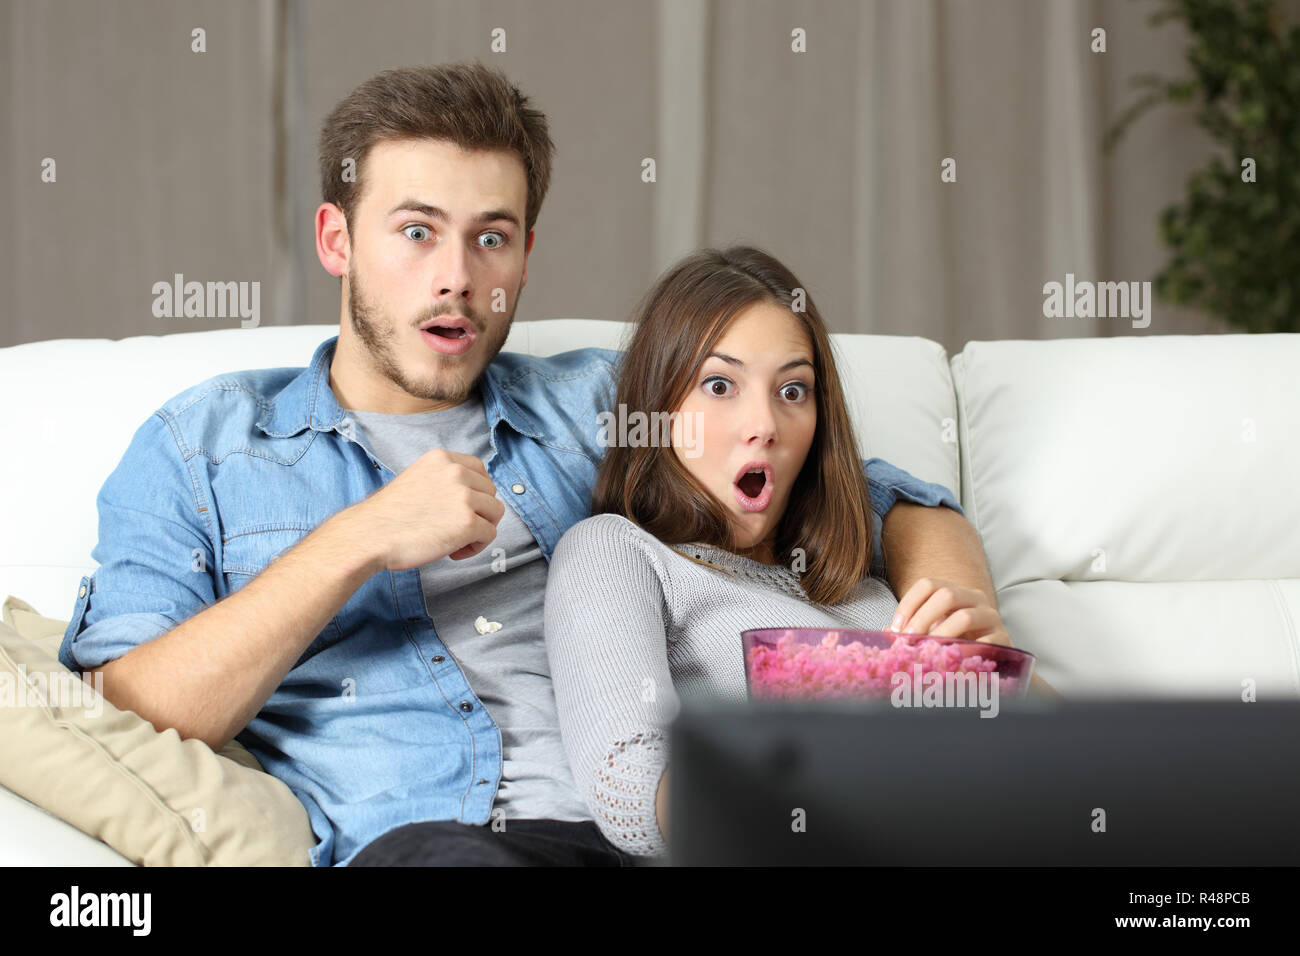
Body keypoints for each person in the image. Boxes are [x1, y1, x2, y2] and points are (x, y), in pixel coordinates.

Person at [56, 62, 1006, 867]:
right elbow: (120, 709)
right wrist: (352, 542)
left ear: (526, 252)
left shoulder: (599, 405)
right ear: (336, 240)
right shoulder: (207, 445)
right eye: (417, 230)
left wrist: (959, 624)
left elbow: (876, 495)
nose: (457, 277)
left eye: (492, 237)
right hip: (434, 845)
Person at [544, 246, 1054, 860]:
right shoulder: (616, 551)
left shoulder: (865, 585)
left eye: (793, 389)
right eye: (719, 384)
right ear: (660, 406)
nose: (764, 423)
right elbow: (625, 781)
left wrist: (999, 674)